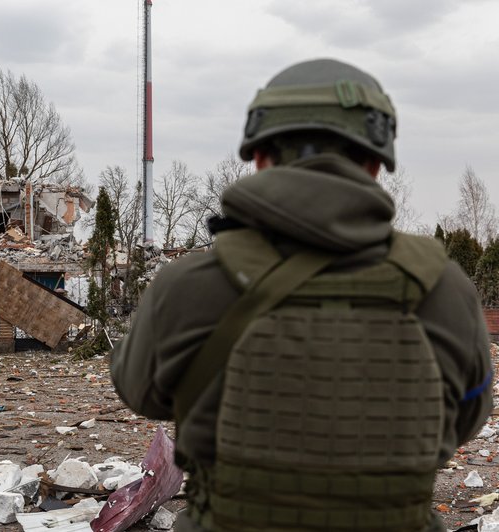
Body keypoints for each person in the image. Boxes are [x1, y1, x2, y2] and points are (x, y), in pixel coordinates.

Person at [110, 58, 492, 532]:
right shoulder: (442, 285)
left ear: (260, 157)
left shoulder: (187, 285)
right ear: (375, 164)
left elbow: (138, 390)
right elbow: (468, 418)